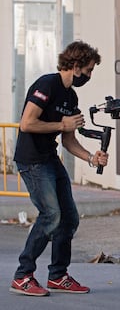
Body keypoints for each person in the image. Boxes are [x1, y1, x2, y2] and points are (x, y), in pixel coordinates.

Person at [9, 41, 108, 296]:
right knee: (51, 214)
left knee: (69, 218)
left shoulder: (70, 96)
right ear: (75, 66)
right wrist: (61, 125)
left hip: (50, 159)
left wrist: (91, 158)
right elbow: (27, 124)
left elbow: (69, 140)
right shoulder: (47, 85)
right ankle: (23, 275)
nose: (89, 76)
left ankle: (58, 275)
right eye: (88, 70)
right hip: (31, 160)